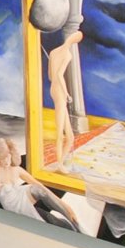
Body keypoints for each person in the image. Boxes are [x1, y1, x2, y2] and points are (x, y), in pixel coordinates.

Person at [0, 136, 79, 231]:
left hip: (19, 195)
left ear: (11, 153)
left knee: (39, 189)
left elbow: (36, 183)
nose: (6, 161)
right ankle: (65, 221)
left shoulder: (16, 169)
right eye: (2, 159)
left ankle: (68, 213)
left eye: (7, 156)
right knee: (45, 219)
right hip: (12, 204)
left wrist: (62, 203)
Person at [47, 29, 82, 173]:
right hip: (60, 92)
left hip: (53, 90)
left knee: (71, 137)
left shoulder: (53, 52)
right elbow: (59, 75)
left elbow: (50, 76)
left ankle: (60, 162)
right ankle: (60, 165)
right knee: (60, 134)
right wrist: (67, 94)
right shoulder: (67, 55)